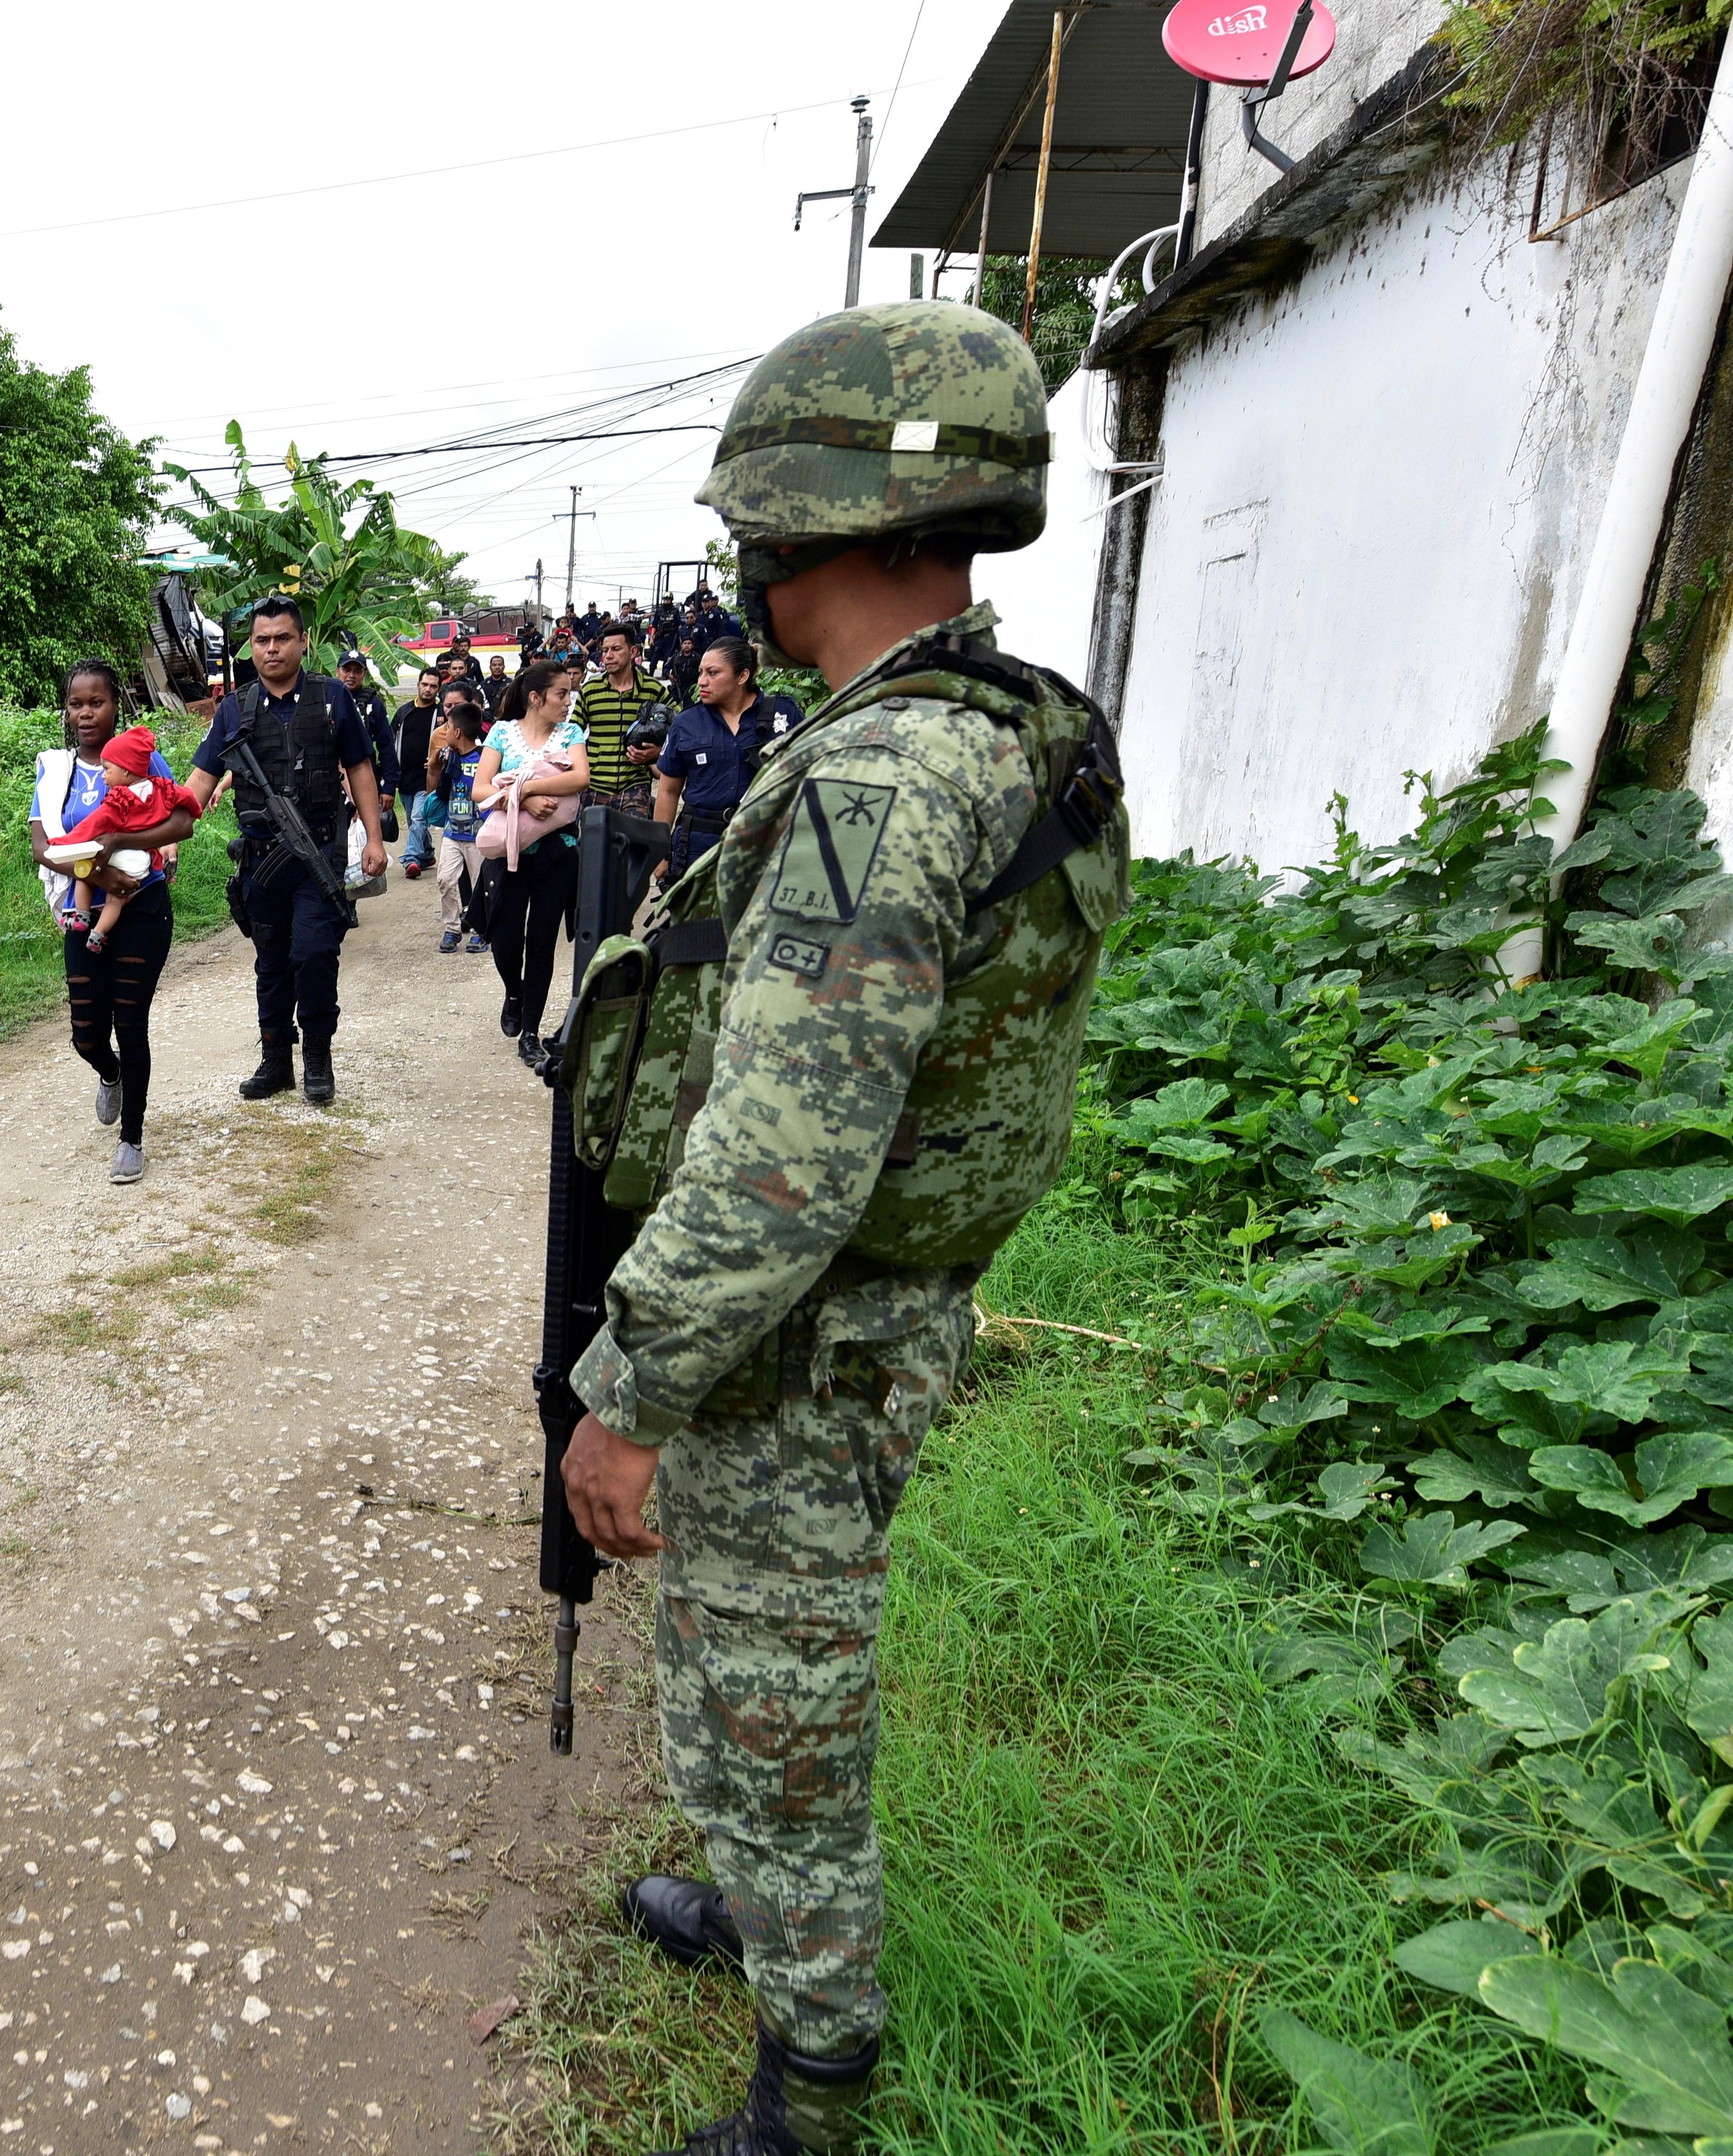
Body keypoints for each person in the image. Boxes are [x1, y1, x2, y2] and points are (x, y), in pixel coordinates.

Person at [559, 300, 1127, 2156]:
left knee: (778, 1693)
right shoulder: (984, 722)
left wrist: (627, 1388)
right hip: (853, 1311)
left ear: (807, 519)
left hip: (805, 1328)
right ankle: (753, 1912)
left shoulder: (884, 775)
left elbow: (784, 1155)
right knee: (738, 1656)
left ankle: (813, 2077)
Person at [185, 595, 388, 1107]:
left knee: (316, 953)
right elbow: (200, 783)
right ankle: (277, 1060)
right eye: (261, 641)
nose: (271, 649)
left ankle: (317, 1053)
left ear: (303, 642)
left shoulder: (332, 698)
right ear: (250, 647)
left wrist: (376, 837)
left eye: (282, 639)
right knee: (272, 963)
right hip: (260, 863)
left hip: (318, 851)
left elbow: (361, 767)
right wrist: (163, 834)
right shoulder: (234, 708)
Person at [32, 662, 194, 1182]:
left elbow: (182, 822)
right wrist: (100, 870)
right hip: (85, 912)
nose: (85, 713)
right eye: (76, 703)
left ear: (115, 706)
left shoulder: (144, 761)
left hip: (144, 907)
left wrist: (123, 845)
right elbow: (41, 847)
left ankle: (132, 1138)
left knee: (130, 1023)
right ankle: (110, 1072)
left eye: (96, 702)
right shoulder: (56, 773)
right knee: (86, 1035)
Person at [468, 659, 589, 1060]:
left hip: (558, 854)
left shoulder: (570, 733)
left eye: (569, 693)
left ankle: (531, 1035)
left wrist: (524, 786)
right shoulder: (502, 733)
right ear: (536, 699)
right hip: (508, 855)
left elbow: (579, 779)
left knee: (541, 944)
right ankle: (514, 992)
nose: (568, 701)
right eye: (561, 694)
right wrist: (529, 798)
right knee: (504, 941)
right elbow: (480, 789)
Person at [651, 635, 802, 876]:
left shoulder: (783, 715)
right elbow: (669, 791)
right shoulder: (687, 723)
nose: (702, 681)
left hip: (764, 843)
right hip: (697, 849)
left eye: (713, 673)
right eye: (701, 673)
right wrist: (658, 853)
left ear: (743, 676)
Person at [46, 724, 186, 953]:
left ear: (125, 772)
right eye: (76, 704)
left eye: (107, 770)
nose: (103, 777)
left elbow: (93, 825)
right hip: (143, 862)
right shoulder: (154, 788)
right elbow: (184, 801)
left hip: (135, 879)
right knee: (116, 901)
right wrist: (194, 808)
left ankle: (81, 917)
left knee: (85, 873)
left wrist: (64, 842)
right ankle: (98, 934)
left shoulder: (119, 798)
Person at [573, 621, 668, 800]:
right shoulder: (590, 690)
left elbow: (678, 729)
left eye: (616, 649)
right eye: (605, 650)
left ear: (634, 652)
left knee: (631, 830)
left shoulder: (653, 690)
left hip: (636, 787)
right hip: (595, 786)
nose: (608, 656)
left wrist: (658, 752)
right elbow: (573, 734)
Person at [429, 693, 490, 951]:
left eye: (448, 727)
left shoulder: (486, 758)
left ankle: (482, 929)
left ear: (458, 732)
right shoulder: (449, 757)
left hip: (479, 835)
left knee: (480, 885)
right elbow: (437, 790)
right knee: (445, 879)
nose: (445, 731)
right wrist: (437, 766)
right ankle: (452, 928)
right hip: (453, 831)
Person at [337, 650, 398, 837]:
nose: (351, 676)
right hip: (333, 780)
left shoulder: (374, 705)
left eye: (357, 671)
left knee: (369, 833)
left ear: (364, 674)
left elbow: (387, 747)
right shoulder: (327, 699)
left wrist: (389, 787)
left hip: (365, 776)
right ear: (337, 671)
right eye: (347, 670)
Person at [396, 667, 445, 877]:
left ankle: (411, 860)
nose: (428, 689)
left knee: (418, 818)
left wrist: (438, 761)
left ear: (439, 689)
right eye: (425, 685)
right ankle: (427, 853)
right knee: (414, 820)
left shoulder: (442, 714)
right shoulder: (404, 711)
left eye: (433, 686)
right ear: (418, 685)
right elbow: (392, 741)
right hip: (404, 777)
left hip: (427, 779)